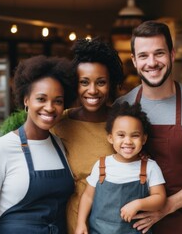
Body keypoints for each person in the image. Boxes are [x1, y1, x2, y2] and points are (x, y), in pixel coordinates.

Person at [114, 21, 182, 234]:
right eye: (144, 56)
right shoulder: (122, 107)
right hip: (131, 225)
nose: (152, 62)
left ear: (172, 55)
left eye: (159, 53)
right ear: (134, 61)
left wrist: (166, 206)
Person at [0, 55, 77, 234]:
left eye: (57, 101)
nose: (50, 108)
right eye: (41, 99)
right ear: (26, 100)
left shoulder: (59, 145)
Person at [51, 37, 124, 234]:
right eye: (84, 82)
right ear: (74, 85)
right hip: (75, 225)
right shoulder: (59, 124)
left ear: (111, 84)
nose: (92, 90)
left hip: (117, 225)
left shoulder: (123, 123)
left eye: (101, 82)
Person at [75, 102, 166, 234]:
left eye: (134, 135)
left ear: (144, 139)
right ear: (110, 138)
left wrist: (138, 204)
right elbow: (88, 196)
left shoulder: (149, 167)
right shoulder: (102, 165)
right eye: (121, 135)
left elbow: (160, 198)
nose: (128, 141)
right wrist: (81, 223)